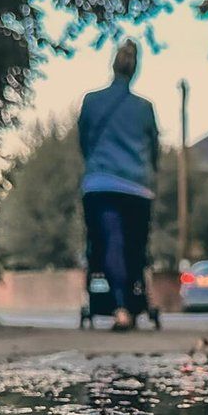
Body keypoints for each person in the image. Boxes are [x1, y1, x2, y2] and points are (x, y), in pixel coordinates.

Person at [78, 40, 160, 331]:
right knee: (135, 246)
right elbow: (153, 148)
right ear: (135, 69)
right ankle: (132, 301)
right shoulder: (144, 108)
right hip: (137, 186)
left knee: (108, 241)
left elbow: (85, 142)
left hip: (100, 184)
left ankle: (119, 305)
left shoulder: (91, 101)